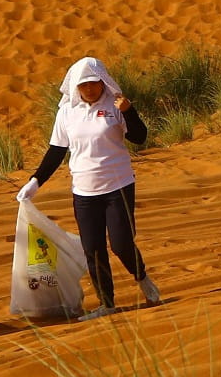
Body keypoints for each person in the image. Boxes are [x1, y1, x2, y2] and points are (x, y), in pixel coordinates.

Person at [18, 57, 160, 320]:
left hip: (118, 186)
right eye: (84, 85)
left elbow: (139, 137)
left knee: (121, 244)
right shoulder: (67, 112)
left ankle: (142, 278)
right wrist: (35, 181)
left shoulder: (116, 104)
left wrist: (129, 111)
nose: (90, 89)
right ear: (76, 87)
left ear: (102, 81)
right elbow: (57, 151)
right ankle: (107, 303)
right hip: (84, 191)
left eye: (94, 83)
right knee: (93, 249)